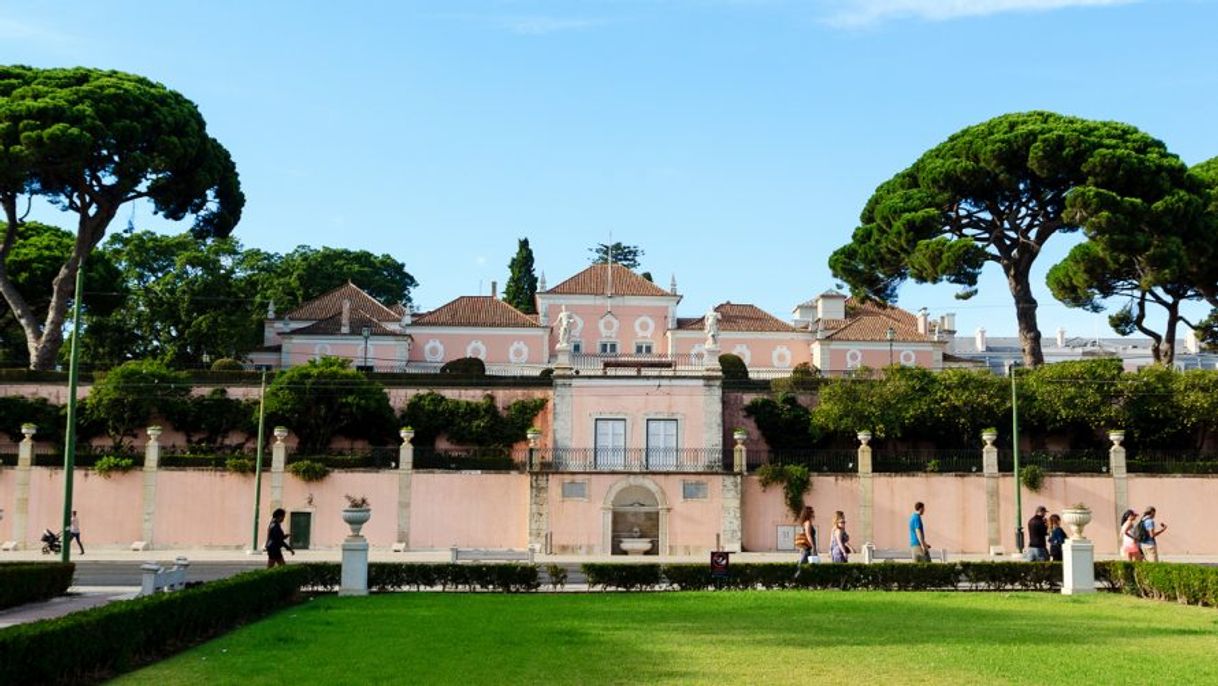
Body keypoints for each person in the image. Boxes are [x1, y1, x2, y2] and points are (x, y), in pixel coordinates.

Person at [793, 506, 819, 577]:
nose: (813, 513)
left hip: (806, 547)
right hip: (808, 548)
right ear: (808, 513)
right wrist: (813, 546)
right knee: (803, 566)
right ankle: (795, 579)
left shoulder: (804, 523)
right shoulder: (808, 523)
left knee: (807, 565)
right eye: (811, 512)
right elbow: (808, 535)